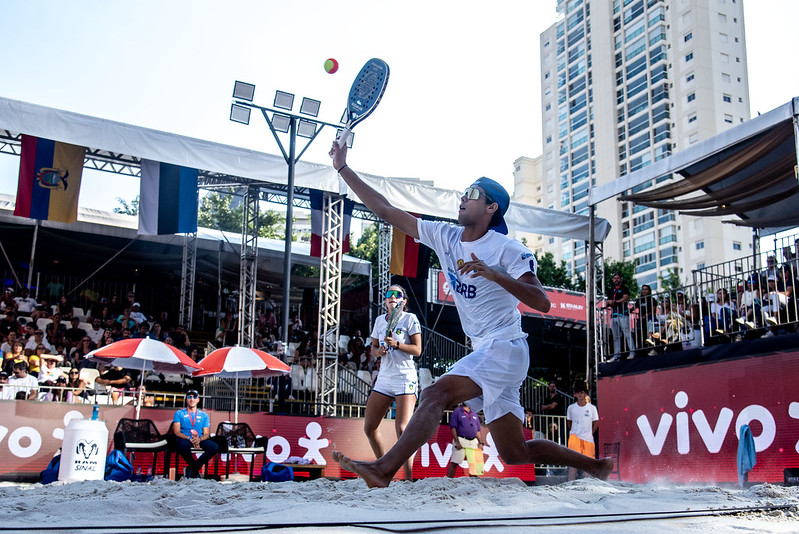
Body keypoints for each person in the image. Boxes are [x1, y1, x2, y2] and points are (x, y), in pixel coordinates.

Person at [328, 141, 612, 487]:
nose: (463, 197)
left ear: (491, 207)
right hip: (488, 350)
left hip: (505, 347)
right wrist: (343, 168)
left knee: (434, 394)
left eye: (472, 193)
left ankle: (383, 470)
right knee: (515, 452)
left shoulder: (506, 249)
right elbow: (387, 211)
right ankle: (596, 467)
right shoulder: (446, 236)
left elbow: (542, 302)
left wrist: (497, 275)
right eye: (464, 192)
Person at [364, 284, 422, 481]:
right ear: (385, 300)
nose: (393, 297)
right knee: (369, 427)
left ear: (403, 301)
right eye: (389, 294)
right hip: (385, 377)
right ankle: (384, 469)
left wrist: (396, 344)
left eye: (398, 295)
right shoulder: (380, 321)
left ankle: (408, 479)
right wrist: (378, 352)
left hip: (405, 377)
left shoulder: (410, 319)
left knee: (403, 429)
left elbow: (418, 350)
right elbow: (372, 347)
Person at [171, 389, 219, 478]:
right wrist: (190, 438)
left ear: (198, 400)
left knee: (214, 447)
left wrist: (199, 439)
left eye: (194, 397)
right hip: (186, 438)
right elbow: (177, 432)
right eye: (189, 397)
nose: (192, 399)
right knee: (182, 445)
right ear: (186, 399)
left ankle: (193, 468)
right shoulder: (179, 413)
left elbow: (206, 434)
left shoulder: (204, 415)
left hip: (199, 439)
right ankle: (194, 469)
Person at [566, 382, 599, 481]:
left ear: (585, 394)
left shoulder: (592, 408)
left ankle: (586, 484)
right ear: (575, 395)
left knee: (588, 463)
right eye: (578, 393)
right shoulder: (571, 408)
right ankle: (570, 483)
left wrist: (590, 433)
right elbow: (569, 423)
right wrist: (575, 432)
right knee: (573, 463)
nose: (580, 395)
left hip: (588, 439)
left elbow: (596, 422)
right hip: (574, 437)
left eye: (582, 392)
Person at [446, 402, 484, 478]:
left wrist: (481, 442)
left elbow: (478, 430)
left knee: (474, 464)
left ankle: (474, 482)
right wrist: (457, 441)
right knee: (455, 462)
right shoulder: (457, 412)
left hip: (473, 441)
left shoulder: (474, 412)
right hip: (461, 439)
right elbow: (453, 427)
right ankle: (448, 480)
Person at [607, 273, 634, 361]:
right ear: (612, 280)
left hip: (623, 314)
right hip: (613, 315)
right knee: (615, 336)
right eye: (614, 278)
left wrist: (617, 301)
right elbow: (608, 302)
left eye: (618, 278)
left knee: (627, 334)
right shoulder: (611, 290)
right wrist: (613, 302)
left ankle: (632, 351)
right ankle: (616, 354)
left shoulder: (624, 288)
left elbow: (626, 298)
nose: (616, 280)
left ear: (620, 279)